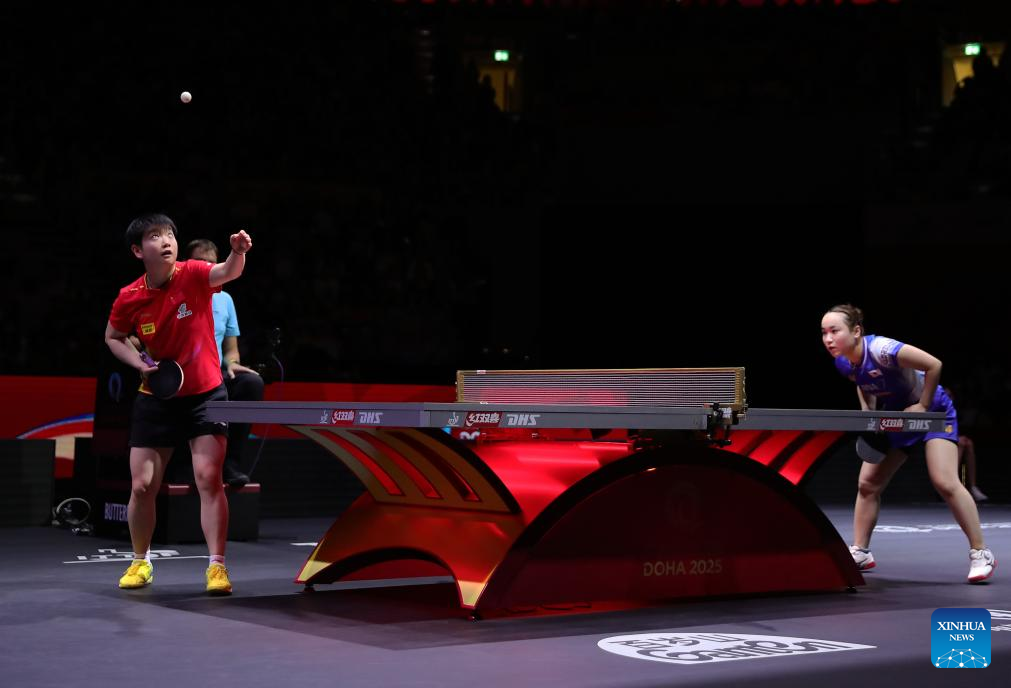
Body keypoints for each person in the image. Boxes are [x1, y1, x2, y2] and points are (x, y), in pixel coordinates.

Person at [105, 213, 252, 595]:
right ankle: (140, 561)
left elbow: (228, 272)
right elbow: (113, 336)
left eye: (170, 234)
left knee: (208, 479)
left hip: (206, 394)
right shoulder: (130, 296)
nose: (166, 240)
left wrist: (237, 252)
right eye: (155, 236)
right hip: (157, 397)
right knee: (142, 485)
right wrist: (140, 364)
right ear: (138, 250)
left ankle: (217, 566)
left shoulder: (194, 273)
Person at [820, 304, 995, 583]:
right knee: (868, 484)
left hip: (934, 412)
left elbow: (934, 365)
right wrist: (869, 414)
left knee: (945, 481)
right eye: (824, 333)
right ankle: (861, 552)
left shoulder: (883, 350)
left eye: (834, 331)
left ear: (856, 331)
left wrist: (923, 406)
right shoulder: (843, 362)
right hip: (898, 415)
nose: (828, 339)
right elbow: (862, 381)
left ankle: (981, 552)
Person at [186, 238, 264, 487]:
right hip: (185, 377)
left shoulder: (225, 300)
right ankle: (186, 465)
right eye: (200, 261)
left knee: (251, 384)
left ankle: (230, 463)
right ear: (187, 264)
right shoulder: (176, 294)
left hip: (216, 375)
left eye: (211, 262)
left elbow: (230, 349)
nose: (206, 267)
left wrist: (231, 362)